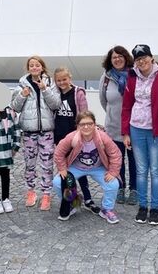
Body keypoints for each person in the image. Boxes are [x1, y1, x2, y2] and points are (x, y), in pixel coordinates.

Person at [121, 44, 158, 226]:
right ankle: (143, 207)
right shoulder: (132, 78)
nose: (141, 61)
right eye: (138, 59)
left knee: (156, 170)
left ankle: (155, 208)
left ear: (152, 58)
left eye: (144, 57)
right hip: (136, 129)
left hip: (156, 131)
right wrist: (125, 132)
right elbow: (127, 106)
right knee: (141, 170)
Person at [10, 56, 61, 210]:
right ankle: (31, 192)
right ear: (28, 68)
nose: (34, 67)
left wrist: (44, 89)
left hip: (46, 131)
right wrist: (22, 95)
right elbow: (15, 107)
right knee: (29, 163)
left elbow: (56, 104)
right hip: (29, 131)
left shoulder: (50, 83)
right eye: (31, 65)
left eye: (37, 65)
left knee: (47, 164)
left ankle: (46, 194)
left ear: (42, 67)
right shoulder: (21, 85)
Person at [53, 110, 122, 223]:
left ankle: (107, 209)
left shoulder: (102, 137)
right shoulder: (72, 137)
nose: (86, 127)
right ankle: (72, 203)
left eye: (89, 124)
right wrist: (62, 168)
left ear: (94, 124)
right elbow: (59, 152)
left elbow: (116, 154)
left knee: (113, 184)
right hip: (76, 167)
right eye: (82, 124)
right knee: (57, 182)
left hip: (98, 167)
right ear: (78, 126)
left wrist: (113, 172)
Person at [53, 66, 100, 215]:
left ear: (70, 78)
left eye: (64, 79)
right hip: (59, 138)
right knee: (67, 172)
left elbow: (84, 114)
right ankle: (73, 200)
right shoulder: (54, 94)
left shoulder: (77, 93)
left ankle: (87, 199)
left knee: (80, 168)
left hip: (75, 138)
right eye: (59, 80)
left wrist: (83, 133)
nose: (62, 82)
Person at [99, 46, 137, 205]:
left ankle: (134, 189)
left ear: (126, 57)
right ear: (110, 60)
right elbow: (103, 100)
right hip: (113, 127)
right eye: (114, 57)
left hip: (134, 127)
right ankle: (119, 188)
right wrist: (113, 114)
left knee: (135, 161)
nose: (117, 59)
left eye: (120, 56)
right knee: (117, 160)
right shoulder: (106, 77)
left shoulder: (135, 75)